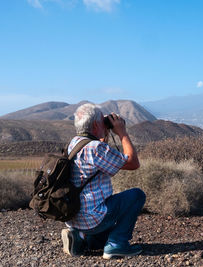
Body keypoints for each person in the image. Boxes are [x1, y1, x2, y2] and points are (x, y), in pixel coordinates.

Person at [61, 103, 146, 259]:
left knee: (106, 231)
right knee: (136, 195)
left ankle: (81, 239)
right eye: (103, 121)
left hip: (72, 216)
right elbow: (133, 163)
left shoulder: (72, 144)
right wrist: (122, 133)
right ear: (95, 124)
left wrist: (103, 133)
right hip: (92, 218)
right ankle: (117, 245)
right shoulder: (96, 148)